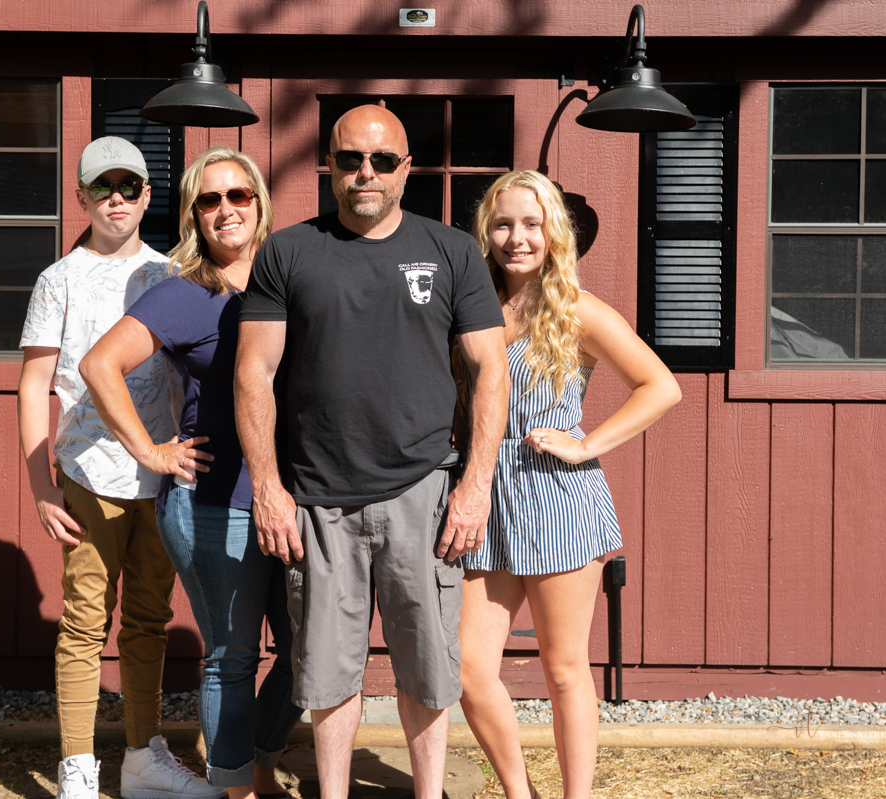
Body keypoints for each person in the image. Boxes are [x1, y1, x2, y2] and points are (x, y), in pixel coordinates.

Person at [233, 105, 511, 799]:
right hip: (319, 498)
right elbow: (253, 373)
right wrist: (268, 487)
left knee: (427, 668)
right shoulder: (288, 252)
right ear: (328, 164)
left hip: (423, 493)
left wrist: (475, 486)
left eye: (382, 161)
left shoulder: (451, 251)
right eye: (350, 158)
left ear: (405, 168)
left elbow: (491, 370)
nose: (366, 172)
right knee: (327, 673)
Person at [80, 147, 304, 799]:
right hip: (212, 503)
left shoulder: (293, 280)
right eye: (209, 200)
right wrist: (152, 453)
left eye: (238, 195)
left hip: (295, 499)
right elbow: (99, 366)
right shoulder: (184, 295)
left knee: (307, 654)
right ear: (192, 216)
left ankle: (256, 753)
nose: (225, 209)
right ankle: (237, 786)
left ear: (260, 204)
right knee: (232, 658)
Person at [457, 170, 681, 799]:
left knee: (562, 669)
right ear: (486, 231)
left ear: (554, 233)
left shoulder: (576, 309)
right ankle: (519, 793)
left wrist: (587, 444)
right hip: (484, 499)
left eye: (532, 224)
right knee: (471, 668)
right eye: (503, 224)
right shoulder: (469, 305)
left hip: (558, 499)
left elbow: (661, 385)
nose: (516, 238)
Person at [17, 136, 225, 799]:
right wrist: (42, 485)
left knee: (147, 620)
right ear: (80, 195)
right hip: (89, 476)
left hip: (161, 477)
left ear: (146, 196)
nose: (117, 198)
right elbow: (33, 384)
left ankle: (142, 756)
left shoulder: (172, 274)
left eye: (129, 186)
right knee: (84, 621)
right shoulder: (60, 279)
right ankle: (78, 767)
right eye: (102, 186)